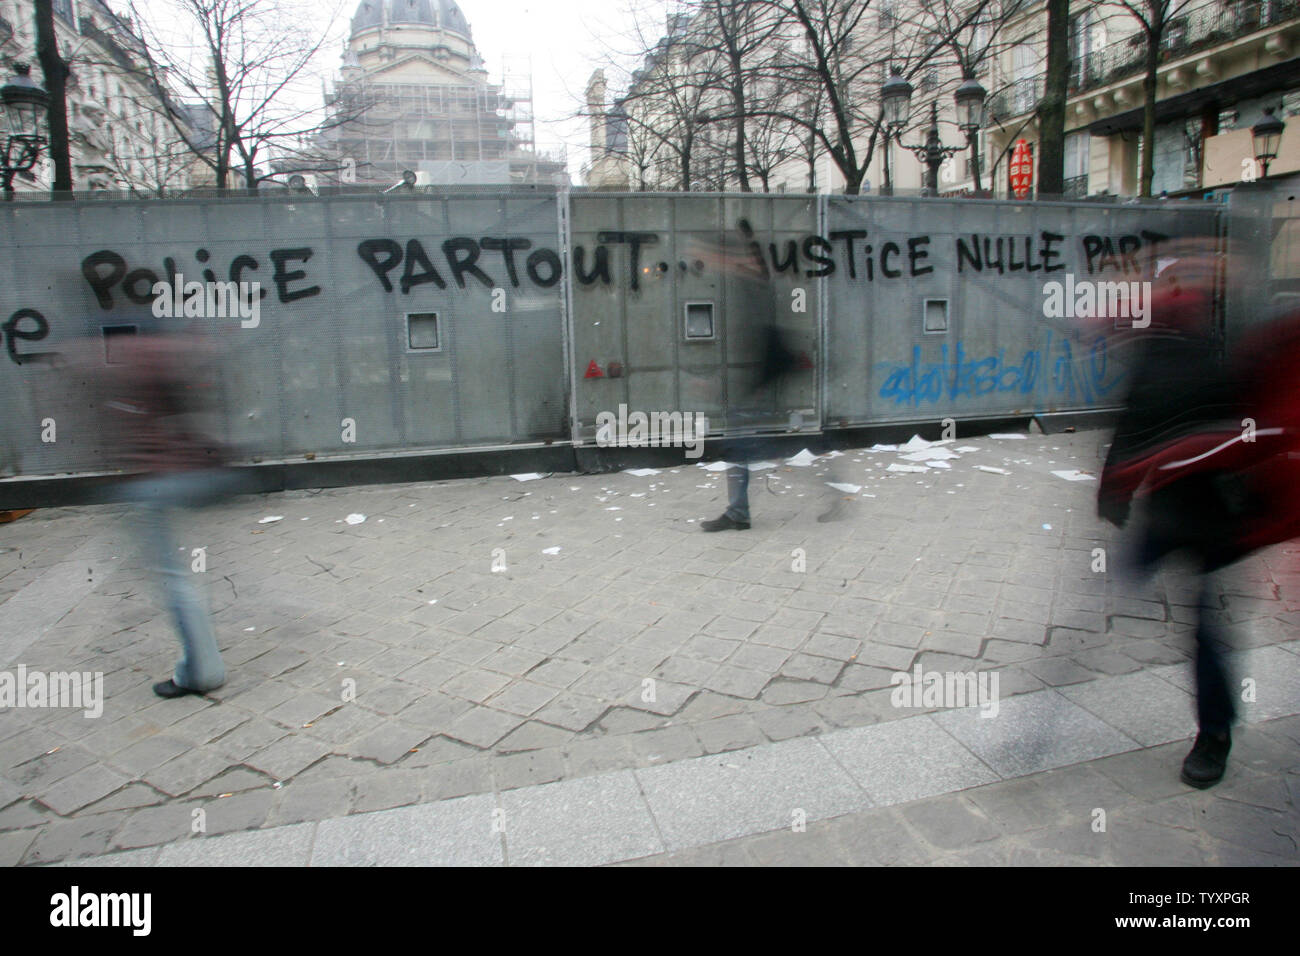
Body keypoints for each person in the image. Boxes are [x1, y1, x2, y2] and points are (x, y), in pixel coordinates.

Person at [1098, 242, 1300, 788]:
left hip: (1216, 519)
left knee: (1206, 630)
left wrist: (1137, 475)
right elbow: (1134, 419)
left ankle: (1214, 736)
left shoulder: (1228, 354)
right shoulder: (1154, 353)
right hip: (1167, 512)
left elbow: (1245, 436)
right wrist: (1115, 490)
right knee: (1111, 592)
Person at [94, 322, 242, 698]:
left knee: (170, 576)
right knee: (177, 574)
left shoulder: (102, 360)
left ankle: (201, 671)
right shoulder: (166, 353)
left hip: (145, 480)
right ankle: (202, 663)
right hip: (180, 475)